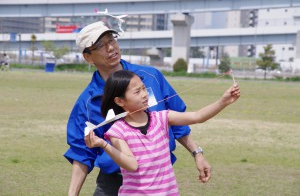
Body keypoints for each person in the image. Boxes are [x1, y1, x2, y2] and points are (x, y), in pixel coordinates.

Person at [64, 21, 211, 196]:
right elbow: (82, 153)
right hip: (113, 182)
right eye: (101, 46)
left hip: (158, 180)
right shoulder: (87, 102)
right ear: (88, 57)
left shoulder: (150, 77)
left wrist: (197, 153)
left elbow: (176, 121)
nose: (111, 48)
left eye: (112, 40)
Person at [85, 70, 240, 195]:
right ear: (120, 101)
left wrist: (223, 102)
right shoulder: (117, 131)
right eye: (137, 92)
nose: (144, 94)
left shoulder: (161, 117)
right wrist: (103, 144)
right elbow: (132, 165)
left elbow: (197, 116)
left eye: (144, 88)